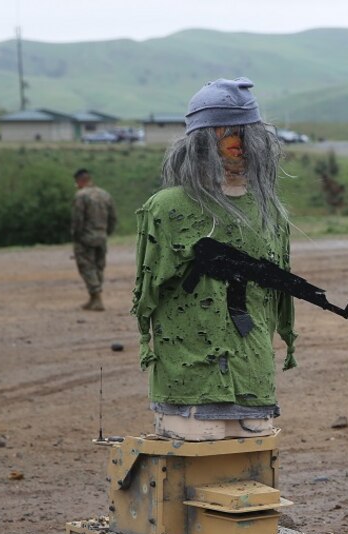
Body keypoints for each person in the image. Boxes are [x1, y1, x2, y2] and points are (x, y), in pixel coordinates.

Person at [131, 77, 296, 441]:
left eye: (244, 134)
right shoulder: (167, 209)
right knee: (195, 456)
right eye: (226, 135)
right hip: (188, 384)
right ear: (203, 142)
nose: (237, 146)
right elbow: (148, 296)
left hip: (254, 381)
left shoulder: (269, 212)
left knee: (252, 469)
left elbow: (274, 297)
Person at [71, 168, 117, 311]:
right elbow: (113, 218)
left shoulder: (81, 196)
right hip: (101, 236)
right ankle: (93, 298)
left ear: (79, 181)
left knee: (86, 267)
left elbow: (78, 219)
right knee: (98, 266)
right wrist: (106, 233)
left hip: (85, 238)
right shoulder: (105, 195)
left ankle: (96, 298)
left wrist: (76, 236)